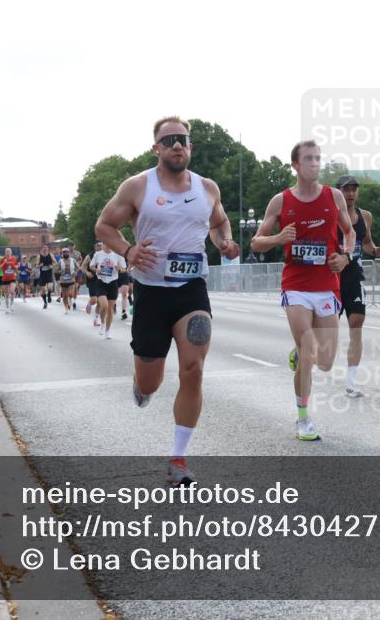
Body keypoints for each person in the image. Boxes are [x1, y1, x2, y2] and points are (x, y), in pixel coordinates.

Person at [94, 116, 239, 485]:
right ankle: (141, 386)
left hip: (192, 289)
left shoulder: (207, 188)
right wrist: (127, 250)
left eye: (183, 140)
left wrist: (223, 241)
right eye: (169, 140)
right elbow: (104, 226)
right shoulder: (138, 186)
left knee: (194, 370)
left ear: (190, 147)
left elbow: (219, 222)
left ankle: (178, 458)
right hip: (152, 292)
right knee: (151, 381)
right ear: (156, 148)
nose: (178, 145)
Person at [251, 140, 355, 442]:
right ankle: (303, 418)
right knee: (311, 353)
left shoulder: (334, 197)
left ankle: (299, 352)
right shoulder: (280, 202)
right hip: (295, 285)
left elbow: (349, 233)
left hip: (327, 287)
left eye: (318, 158)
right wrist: (279, 238)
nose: (314, 163)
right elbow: (256, 242)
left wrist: (345, 256)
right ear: (295, 165)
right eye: (308, 159)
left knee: (325, 361)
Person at [334, 175, 380, 397]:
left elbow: (366, 243)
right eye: (345, 189)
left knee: (356, 322)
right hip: (332, 277)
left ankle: (350, 383)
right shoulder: (330, 215)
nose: (350, 194)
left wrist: (376, 251)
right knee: (325, 331)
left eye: (353, 189)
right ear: (338, 192)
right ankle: (301, 350)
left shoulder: (365, 216)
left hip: (354, 276)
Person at [90, 243, 127, 338]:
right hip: (101, 282)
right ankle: (102, 322)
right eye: (104, 242)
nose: (106, 244)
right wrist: (96, 270)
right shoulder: (98, 254)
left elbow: (124, 269)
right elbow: (91, 266)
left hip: (113, 283)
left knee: (110, 310)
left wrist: (119, 269)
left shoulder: (118, 255)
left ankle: (107, 331)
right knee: (104, 306)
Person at [57, 247, 79, 314]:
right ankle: (66, 308)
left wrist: (75, 272)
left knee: (70, 294)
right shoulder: (60, 261)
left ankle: (70, 300)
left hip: (71, 280)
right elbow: (57, 270)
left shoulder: (73, 260)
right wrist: (62, 271)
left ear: (68, 253)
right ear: (62, 253)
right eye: (64, 252)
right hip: (63, 280)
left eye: (66, 252)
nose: (65, 253)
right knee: (64, 296)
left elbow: (78, 268)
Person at [0, 247, 19, 312]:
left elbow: (17, 267)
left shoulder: (14, 259)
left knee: (12, 291)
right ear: (5, 253)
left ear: (11, 252)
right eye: (6, 251)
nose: (8, 253)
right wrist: (4, 262)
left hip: (12, 278)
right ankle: (7, 307)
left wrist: (15, 267)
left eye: (9, 251)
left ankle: (11, 305)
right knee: (6, 294)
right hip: (5, 278)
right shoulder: (2, 259)